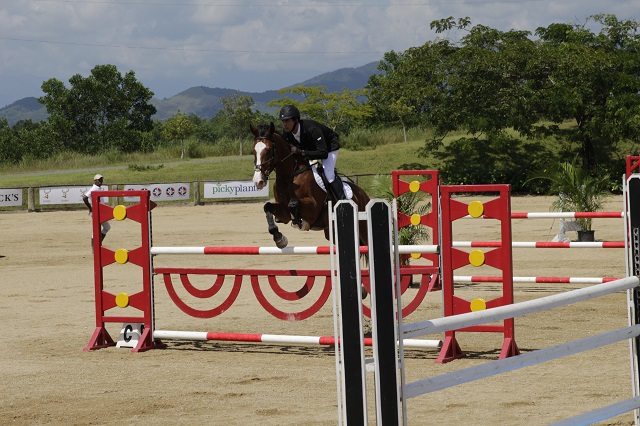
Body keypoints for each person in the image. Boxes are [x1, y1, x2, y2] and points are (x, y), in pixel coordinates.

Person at [278, 105, 346, 200]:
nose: (285, 124)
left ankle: (343, 202)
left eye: (287, 121)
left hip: (329, 147)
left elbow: (323, 153)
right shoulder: (287, 133)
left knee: (328, 174)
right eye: (283, 121)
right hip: (310, 149)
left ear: (296, 120)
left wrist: (302, 153)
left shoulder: (311, 128)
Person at [82, 174, 111, 245]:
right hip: (97, 212)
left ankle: (96, 245)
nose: (100, 181)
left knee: (105, 227)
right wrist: (90, 208)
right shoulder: (94, 188)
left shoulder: (98, 188)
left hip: (100, 211)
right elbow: (85, 197)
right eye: (98, 179)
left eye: (101, 179)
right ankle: (95, 246)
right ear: (95, 180)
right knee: (100, 228)